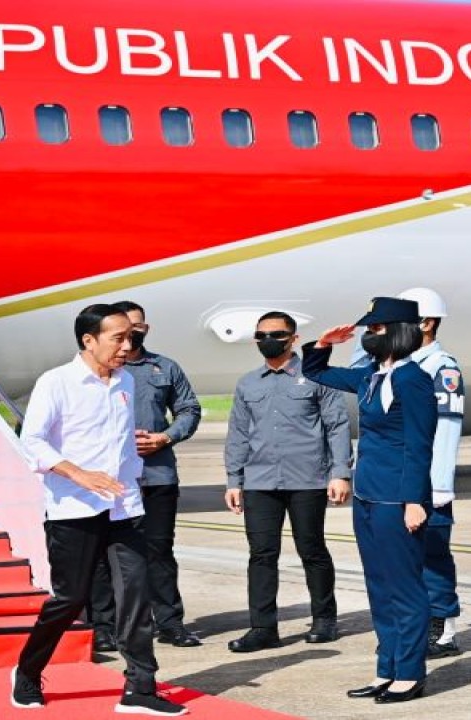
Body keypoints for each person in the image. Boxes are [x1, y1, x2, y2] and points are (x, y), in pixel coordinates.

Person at [12, 303, 185, 716]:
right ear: (89, 340)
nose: (128, 345)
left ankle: (140, 687)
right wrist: (77, 473)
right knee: (71, 600)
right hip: (73, 508)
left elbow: (117, 439)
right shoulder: (56, 382)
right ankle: (27, 672)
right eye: (118, 338)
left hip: (123, 507)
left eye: (131, 337)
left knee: (135, 595)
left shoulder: (124, 380)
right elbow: (32, 440)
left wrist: (135, 465)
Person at [303, 297, 438, 704]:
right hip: (368, 494)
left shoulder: (413, 378)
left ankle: (410, 674)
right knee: (379, 587)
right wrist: (322, 344)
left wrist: (415, 500)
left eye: (375, 329)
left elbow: (419, 443)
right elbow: (317, 372)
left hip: (397, 498)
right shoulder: (372, 377)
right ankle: (388, 669)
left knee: (405, 588)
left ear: (398, 331)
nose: (367, 335)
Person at [223, 311, 352, 652]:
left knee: (312, 550)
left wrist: (340, 472)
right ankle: (263, 628)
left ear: (293, 338)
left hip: (307, 479)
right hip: (259, 481)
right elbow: (237, 433)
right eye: (262, 334)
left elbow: (337, 426)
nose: (268, 340)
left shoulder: (317, 377)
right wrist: (233, 479)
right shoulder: (248, 383)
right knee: (261, 555)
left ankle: (324, 620)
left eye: (277, 334)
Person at [89, 300, 203, 651]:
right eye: (122, 330)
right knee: (103, 555)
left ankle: (169, 622)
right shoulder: (97, 370)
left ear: (145, 329)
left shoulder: (164, 368)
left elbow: (189, 408)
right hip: (110, 480)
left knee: (159, 552)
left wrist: (165, 436)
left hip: (156, 476)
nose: (129, 335)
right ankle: (105, 626)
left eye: (135, 327)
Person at [396, 287, 466, 658]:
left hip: (429, 486)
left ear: (426, 322)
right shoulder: (400, 365)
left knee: (433, 558)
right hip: (402, 482)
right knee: (407, 561)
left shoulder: (442, 368)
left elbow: (446, 430)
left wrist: (436, 486)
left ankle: (443, 627)